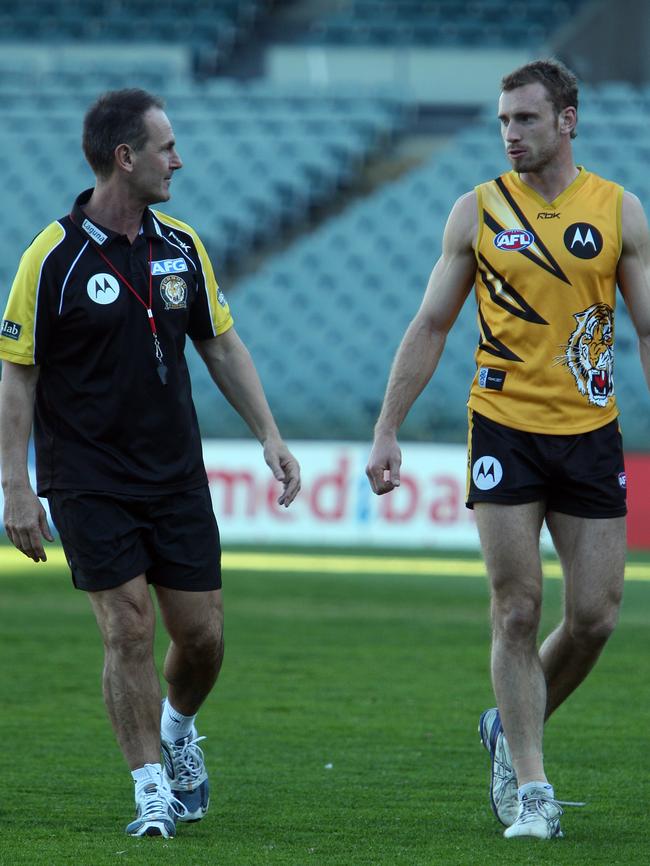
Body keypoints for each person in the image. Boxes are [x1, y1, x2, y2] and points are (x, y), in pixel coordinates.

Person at [0, 88, 301, 839]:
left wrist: (268, 432)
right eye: (166, 147)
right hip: (86, 477)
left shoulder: (183, 247)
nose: (179, 159)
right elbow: (18, 372)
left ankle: (177, 730)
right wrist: (15, 484)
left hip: (175, 475)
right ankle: (149, 790)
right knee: (128, 629)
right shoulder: (52, 257)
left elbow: (221, 345)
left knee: (202, 638)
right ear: (125, 158)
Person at [366, 59, 650, 840]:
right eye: (502, 121)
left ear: (568, 120)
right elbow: (430, 326)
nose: (510, 134)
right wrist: (388, 426)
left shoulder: (619, 211)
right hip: (504, 429)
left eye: (525, 119)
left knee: (593, 618)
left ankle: (509, 724)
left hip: (590, 434)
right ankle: (531, 788)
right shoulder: (477, 211)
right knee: (516, 609)